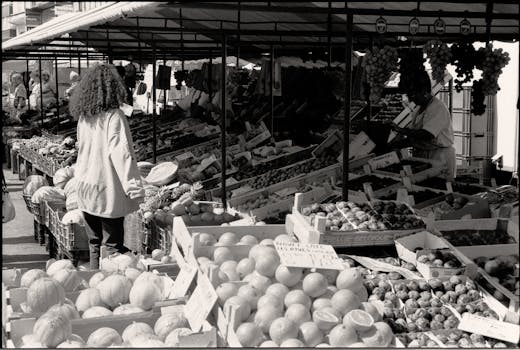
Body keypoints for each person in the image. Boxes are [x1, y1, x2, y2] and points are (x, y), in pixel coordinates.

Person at [69, 63, 144, 270]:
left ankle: (95, 284)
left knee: (94, 244)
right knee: (112, 248)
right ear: (114, 87)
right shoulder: (114, 116)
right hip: (106, 189)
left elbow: (81, 147)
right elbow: (122, 154)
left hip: (85, 186)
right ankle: (109, 293)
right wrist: (135, 189)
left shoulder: (85, 117)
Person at [390, 70, 456, 180]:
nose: (411, 99)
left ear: (424, 91)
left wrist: (401, 130)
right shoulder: (418, 110)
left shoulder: (438, 107)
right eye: (409, 95)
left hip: (439, 157)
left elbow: (427, 134)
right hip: (423, 157)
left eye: (413, 94)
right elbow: (414, 138)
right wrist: (395, 145)